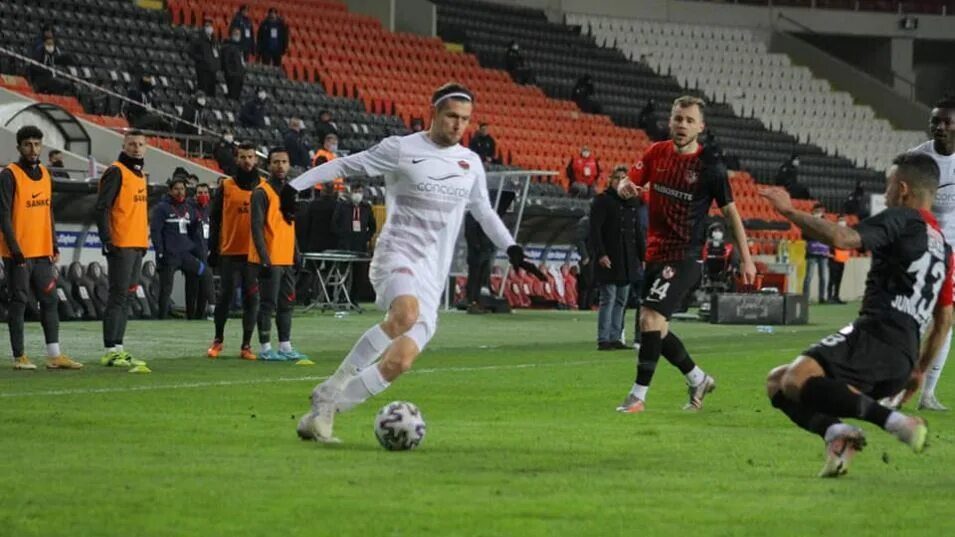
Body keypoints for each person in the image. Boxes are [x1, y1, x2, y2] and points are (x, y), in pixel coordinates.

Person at [285, 83, 545, 442]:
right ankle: (334, 386)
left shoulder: (470, 162)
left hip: (431, 274)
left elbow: (483, 210)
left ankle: (326, 408)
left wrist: (512, 248)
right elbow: (348, 164)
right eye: (452, 116)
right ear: (433, 113)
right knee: (404, 314)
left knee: (398, 362)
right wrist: (294, 187)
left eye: (465, 120)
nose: (458, 125)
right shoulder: (401, 149)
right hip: (397, 253)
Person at [760, 152, 950, 477]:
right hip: (900, 358)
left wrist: (790, 210)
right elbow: (945, 318)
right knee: (777, 382)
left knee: (796, 378)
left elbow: (842, 238)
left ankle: (898, 424)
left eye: (888, 185)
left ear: (902, 188)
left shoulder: (901, 217)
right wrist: (918, 369)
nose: (886, 193)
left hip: (876, 336)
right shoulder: (943, 247)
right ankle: (837, 435)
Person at [616, 95, 757, 413]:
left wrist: (747, 259)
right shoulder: (656, 153)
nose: (682, 125)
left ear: (701, 127)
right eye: (678, 118)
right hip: (655, 253)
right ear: (670, 120)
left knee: (649, 318)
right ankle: (698, 378)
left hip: (686, 255)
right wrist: (624, 186)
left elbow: (732, 215)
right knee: (657, 328)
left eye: (690, 120)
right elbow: (630, 180)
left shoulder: (710, 168)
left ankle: (637, 396)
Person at [1, 126, 81, 370]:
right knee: (19, 301)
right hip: (19, 254)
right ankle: (19, 356)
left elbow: (48, 212)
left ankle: (54, 355)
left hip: (43, 251)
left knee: (49, 300)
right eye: (28, 144)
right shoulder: (9, 175)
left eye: (37, 144)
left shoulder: (46, 174)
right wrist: (15, 250)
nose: (33, 149)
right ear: (19, 147)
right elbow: (3, 214)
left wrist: (53, 243)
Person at [905, 96, 955, 411]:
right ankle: (896, 385)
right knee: (913, 318)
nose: (940, 126)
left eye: (947, 121)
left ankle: (927, 393)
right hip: (923, 247)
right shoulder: (917, 159)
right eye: (935, 120)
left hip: (954, 252)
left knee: (945, 319)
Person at [95, 131, 152, 373]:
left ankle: (118, 347)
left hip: (137, 243)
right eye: (132, 144)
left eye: (140, 145)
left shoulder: (139, 174)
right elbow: (102, 207)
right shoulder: (117, 171)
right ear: (124, 145)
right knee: (118, 296)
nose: (136, 148)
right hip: (121, 244)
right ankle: (110, 350)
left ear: (146, 148)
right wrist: (107, 239)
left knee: (127, 297)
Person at [206, 142, 265, 360]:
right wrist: (212, 248)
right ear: (236, 159)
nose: (247, 161)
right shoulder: (227, 186)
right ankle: (218, 340)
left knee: (252, 300)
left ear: (256, 159)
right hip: (229, 251)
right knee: (225, 297)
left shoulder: (263, 187)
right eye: (243, 157)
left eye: (250, 157)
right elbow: (214, 219)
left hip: (253, 254)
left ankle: (246, 346)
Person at [249, 147, 308, 361]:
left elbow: (289, 225)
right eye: (276, 162)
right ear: (268, 165)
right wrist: (264, 258)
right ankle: (265, 348)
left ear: (289, 164)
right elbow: (256, 228)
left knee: (286, 304)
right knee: (268, 304)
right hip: (270, 259)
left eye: (284, 162)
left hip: (286, 258)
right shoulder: (261, 192)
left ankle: (285, 346)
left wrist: (296, 253)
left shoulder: (289, 193)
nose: (280, 166)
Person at [591, 165, 644, 350]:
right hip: (610, 257)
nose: (620, 180)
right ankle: (603, 339)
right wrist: (601, 253)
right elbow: (595, 230)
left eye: (623, 178)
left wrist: (642, 255)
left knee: (622, 299)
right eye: (616, 177)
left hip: (627, 258)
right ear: (610, 180)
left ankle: (615, 337)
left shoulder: (632, 202)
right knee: (608, 297)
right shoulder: (602, 200)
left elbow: (637, 232)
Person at [150, 176, 207, 319]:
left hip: (186, 254)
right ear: (170, 191)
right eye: (176, 189)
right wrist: (160, 251)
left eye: (182, 189)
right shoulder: (161, 208)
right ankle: (161, 317)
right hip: (169, 254)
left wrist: (194, 246)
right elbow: (155, 231)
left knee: (201, 275)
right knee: (166, 288)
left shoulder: (189, 208)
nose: (179, 192)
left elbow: (194, 228)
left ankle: (193, 316)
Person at [185, 182, 215, 319]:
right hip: (192, 253)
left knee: (204, 285)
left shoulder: (209, 209)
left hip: (205, 252)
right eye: (200, 193)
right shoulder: (189, 209)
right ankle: (191, 314)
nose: (203, 195)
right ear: (195, 195)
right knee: (192, 284)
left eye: (205, 192)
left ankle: (200, 314)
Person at [333, 185, 376, 252]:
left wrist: (366, 237)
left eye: (360, 192)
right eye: (355, 192)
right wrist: (342, 236)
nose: (357, 194)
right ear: (351, 193)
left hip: (361, 243)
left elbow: (372, 226)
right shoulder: (342, 206)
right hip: (345, 243)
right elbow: (335, 223)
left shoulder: (367, 208)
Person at [803, 203, 830, 304]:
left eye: (820, 211)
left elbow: (828, 235)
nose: (819, 213)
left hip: (823, 252)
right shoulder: (808, 222)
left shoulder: (826, 223)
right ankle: (805, 297)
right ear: (813, 211)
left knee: (823, 276)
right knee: (809, 276)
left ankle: (822, 297)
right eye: (817, 211)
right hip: (812, 252)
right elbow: (804, 235)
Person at [188, 17, 219, 97]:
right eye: (207, 26)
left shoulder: (214, 40)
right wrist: (201, 59)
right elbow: (191, 52)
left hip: (212, 70)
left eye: (210, 26)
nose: (209, 28)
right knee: (203, 90)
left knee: (211, 92)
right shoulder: (198, 39)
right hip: (203, 70)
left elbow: (216, 54)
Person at [827, 215, 849, 304]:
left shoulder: (847, 232)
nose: (842, 222)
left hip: (842, 258)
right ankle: (829, 297)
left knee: (839, 279)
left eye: (843, 220)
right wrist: (828, 252)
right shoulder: (833, 231)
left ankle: (836, 296)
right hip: (833, 258)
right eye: (840, 220)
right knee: (832, 278)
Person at [573, 215, 593, 310]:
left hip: (597, 257)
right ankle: (583, 306)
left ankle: (589, 305)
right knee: (586, 283)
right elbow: (579, 239)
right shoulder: (585, 221)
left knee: (593, 283)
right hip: (589, 257)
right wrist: (585, 255)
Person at [221, 26, 246, 101]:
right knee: (232, 96)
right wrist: (230, 73)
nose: (238, 36)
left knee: (237, 97)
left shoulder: (239, 48)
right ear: (232, 34)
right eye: (236, 34)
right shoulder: (227, 47)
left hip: (239, 75)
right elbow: (226, 62)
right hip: (232, 76)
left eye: (239, 34)